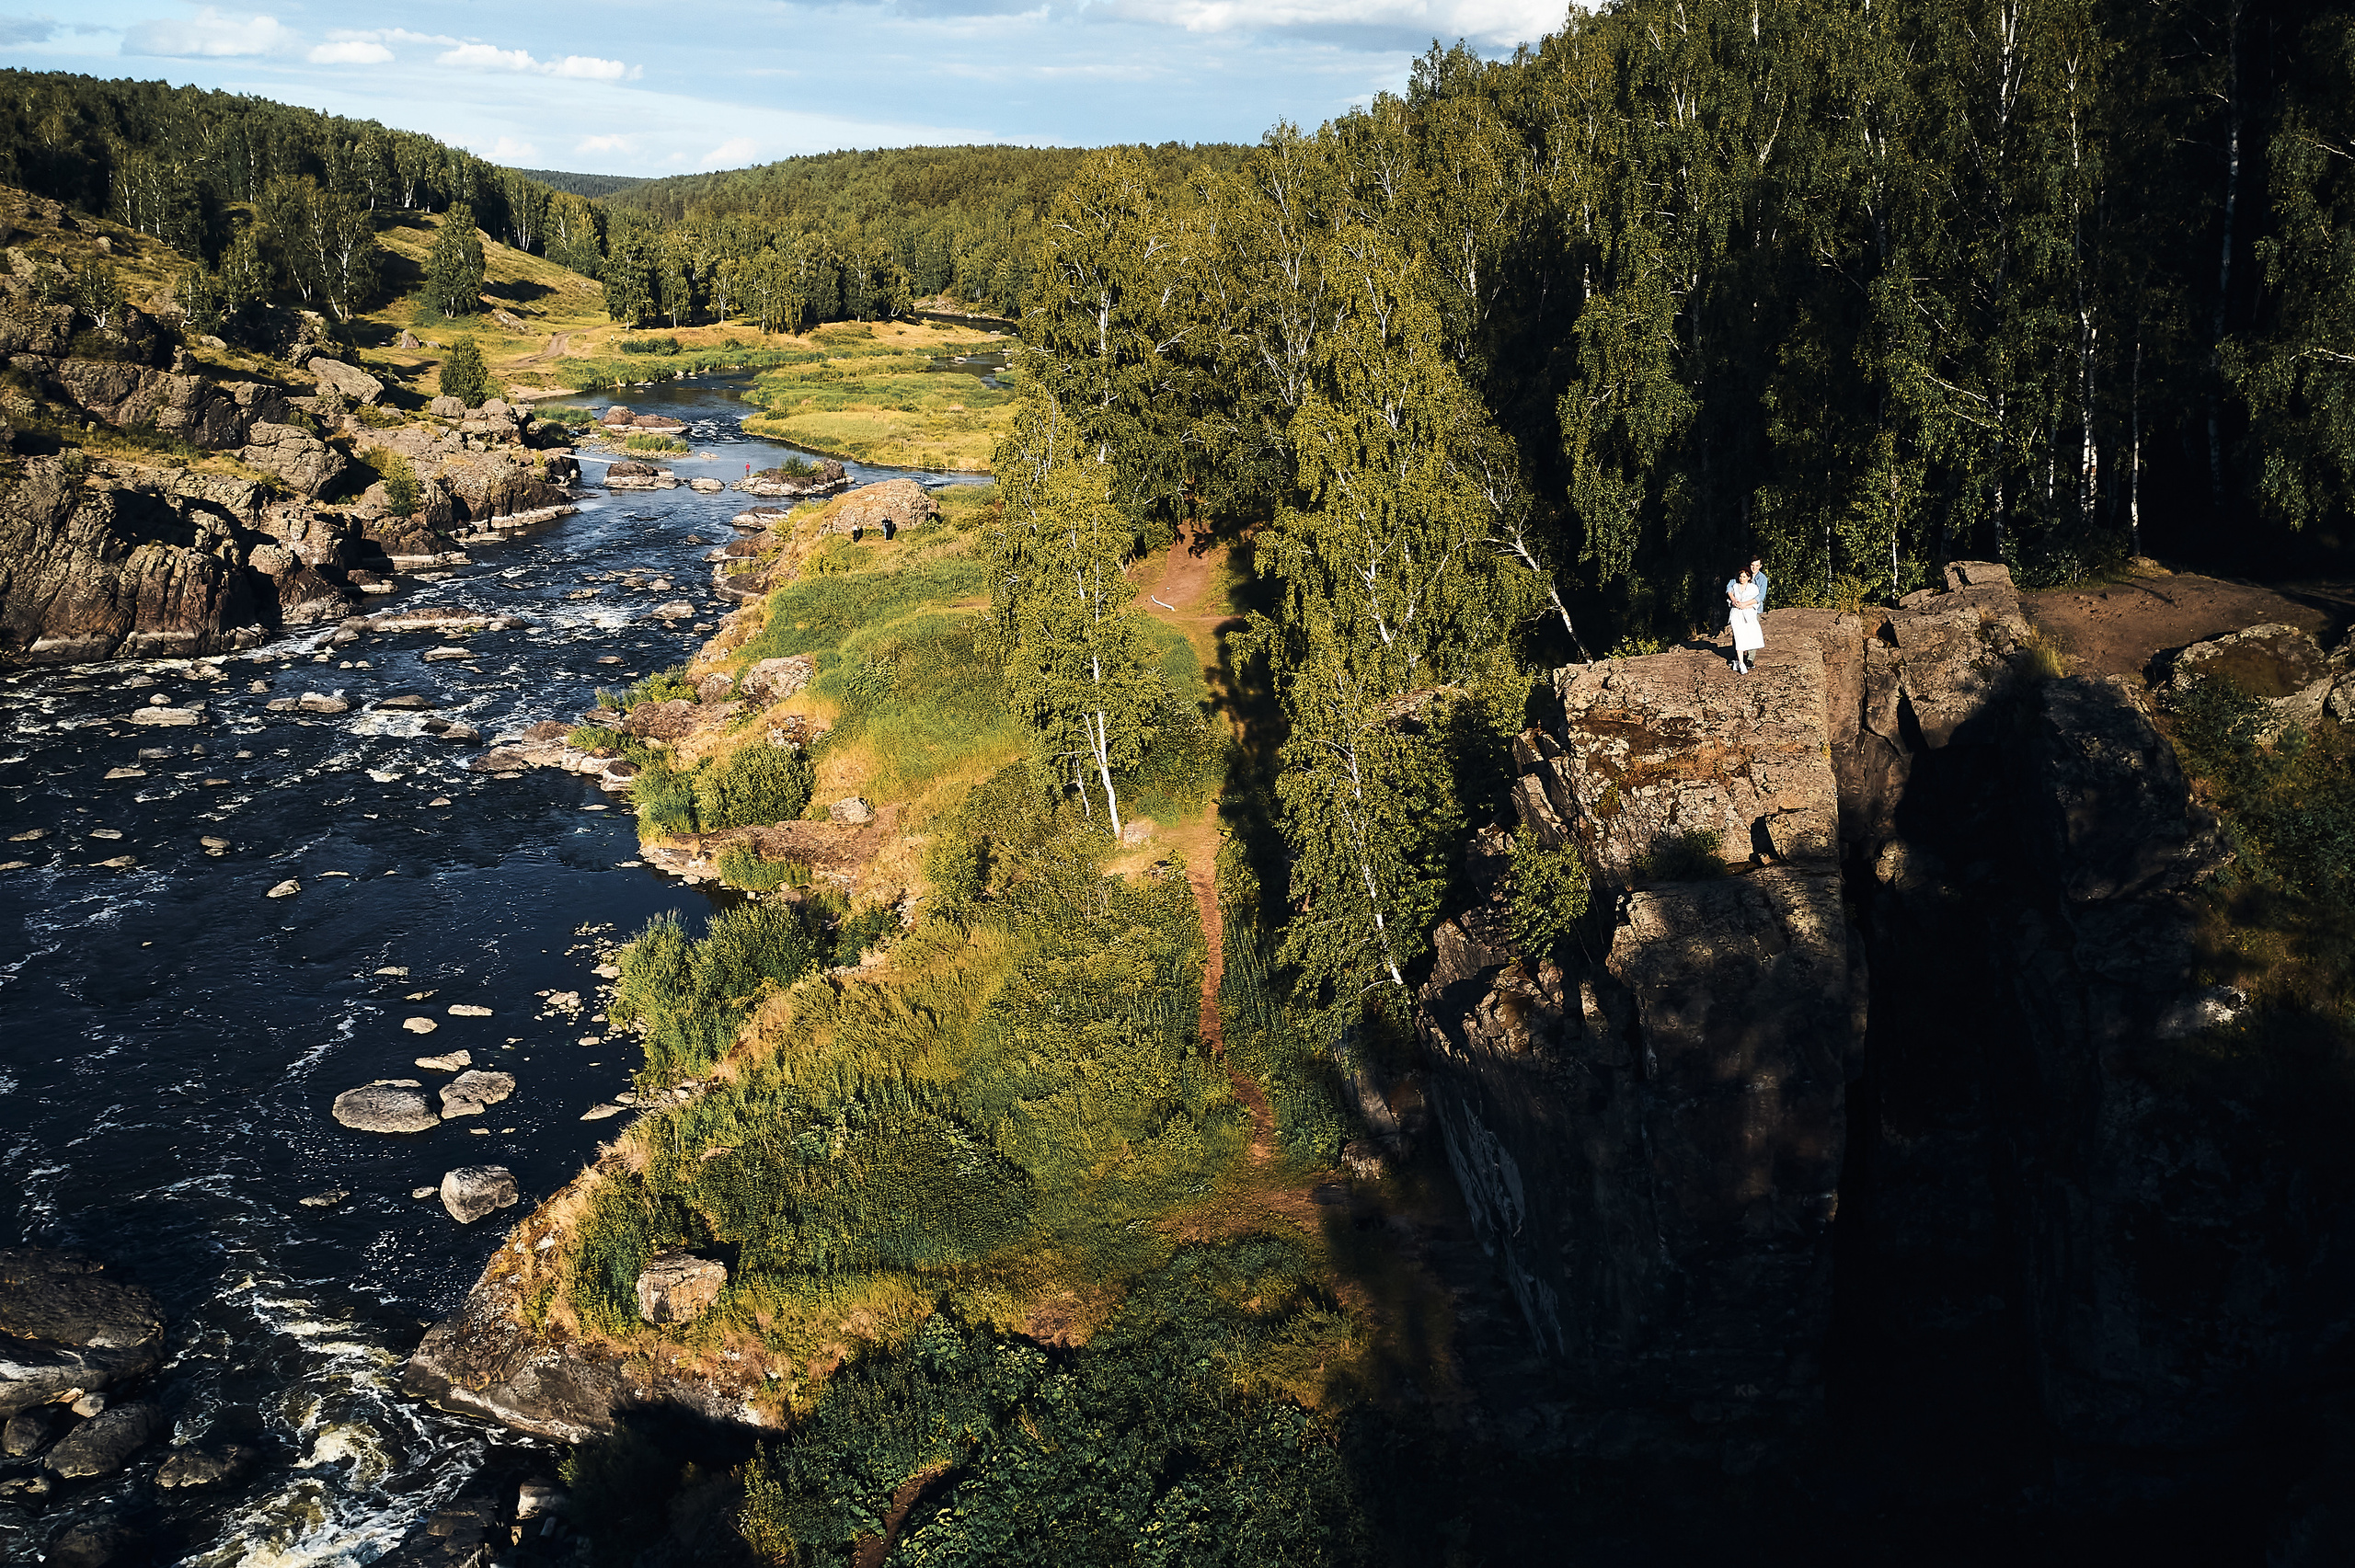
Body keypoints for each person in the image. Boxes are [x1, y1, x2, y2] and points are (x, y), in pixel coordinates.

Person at [1727, 566, 1764, 674]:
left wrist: (1745, 605)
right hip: (1736, 614)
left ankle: (1747, 660)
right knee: (1738, 637)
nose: (1741, 579)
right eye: (1740, 576)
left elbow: (1756, 602)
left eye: (1744, 577)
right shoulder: (1735, 586)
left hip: (1748, 614)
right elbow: (1730, 597)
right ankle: (1741, 663)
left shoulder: (1753, 588)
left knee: (1747, 636)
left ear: (1748, 577)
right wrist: (1735, 602)